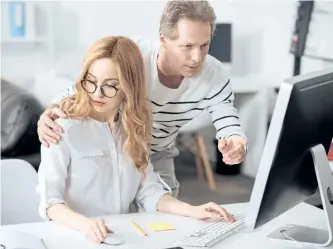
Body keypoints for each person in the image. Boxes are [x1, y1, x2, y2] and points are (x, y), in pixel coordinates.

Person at [37, 1, 248, 198]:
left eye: (204, 45)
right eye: (187, 46)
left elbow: (226, 114)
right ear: (163, 39)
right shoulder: (134, 56)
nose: (197, 57)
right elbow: (86, 86)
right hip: (118, 147)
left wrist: (236, 140)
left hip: (158, 152)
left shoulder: (214, 74)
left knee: (167, 212)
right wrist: (50, 111)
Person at [36, 36, 235, 244]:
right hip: (74, 238)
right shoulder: (62, 127)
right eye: (91, 82)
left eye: (110, 86)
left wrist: (193, 210)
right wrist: (85, 225)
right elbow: (50, 202)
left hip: (122, 237)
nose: (97, 93)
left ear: (128, 87)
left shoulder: (133, 126)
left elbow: (149, 191)